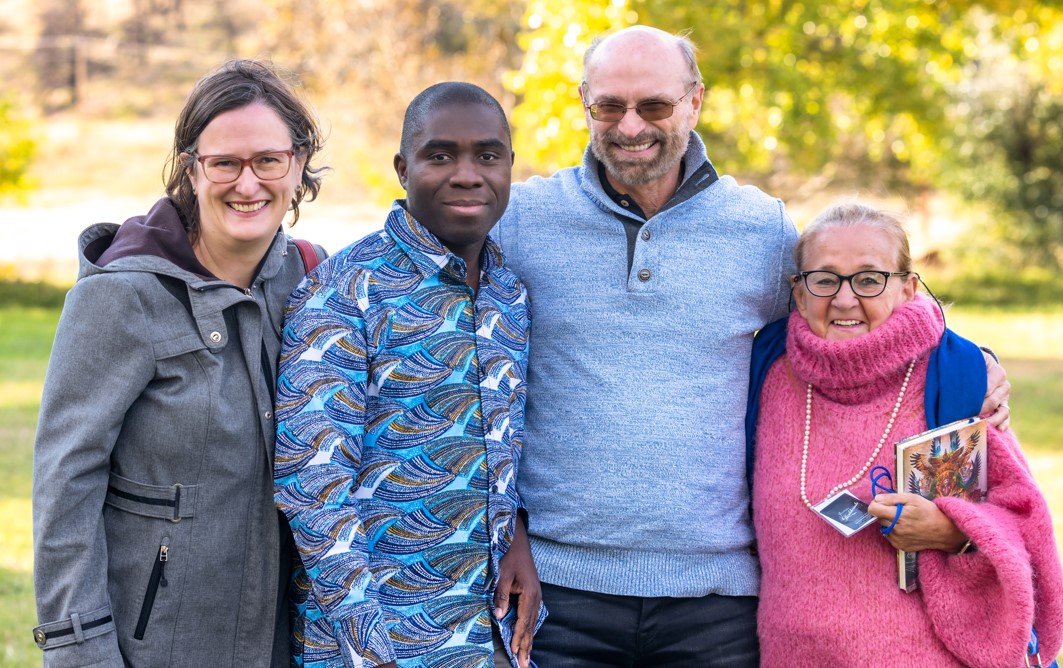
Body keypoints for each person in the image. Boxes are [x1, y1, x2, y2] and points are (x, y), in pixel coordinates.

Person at [492, 25, 1011, 666]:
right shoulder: (521, 220)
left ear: (694, 102)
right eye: (608, 106)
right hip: (559, 590)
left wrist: (970, 360)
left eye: (653, 106)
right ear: (585, 104)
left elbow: (845, 310)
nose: (630, 127)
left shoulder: (757, 228)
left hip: (719, 598)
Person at [31, 59, 327, 667]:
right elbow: (66, 484)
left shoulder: (316, 280)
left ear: (298, 165)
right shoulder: (121, 296)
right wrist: (81, 652)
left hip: (290, 645)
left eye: (268, 160)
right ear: (190, 168)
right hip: (156, 649)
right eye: (224, 162)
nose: (248, 184)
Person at [274, 82, 544, 668]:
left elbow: (497, 449)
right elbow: (313, 488)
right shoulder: (343, 291)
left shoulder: (510, 294)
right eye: (440, 155)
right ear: (403, 168)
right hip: (377, 647)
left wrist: (514, 528)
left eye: (488, 156)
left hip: (491, 640)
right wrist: (375, 652)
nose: (468, 174)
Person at [749, 201, 1063, 665]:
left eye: (870, 278)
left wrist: (953, 532)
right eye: (824, 278)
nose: (844, 299)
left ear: (908, 288)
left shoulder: (953, 379)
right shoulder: (766, 370)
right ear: (798, 293)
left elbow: (1026, 524)